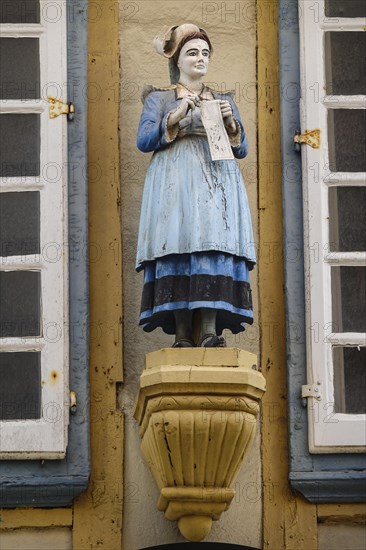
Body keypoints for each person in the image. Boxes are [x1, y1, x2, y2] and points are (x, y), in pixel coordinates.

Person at [136, 23, 256, 347]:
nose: (200, 59)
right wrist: (173, 118)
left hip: (216, 185)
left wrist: (231, 122)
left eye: (205, 53)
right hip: (174, 182)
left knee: (211, 245)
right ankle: (182, 334)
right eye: (192, 53)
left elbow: (241, 149)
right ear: (177, 60)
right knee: (178, 243)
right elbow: (144, 140)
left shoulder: (222, 99)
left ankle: (208, 330)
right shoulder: (159, 100)